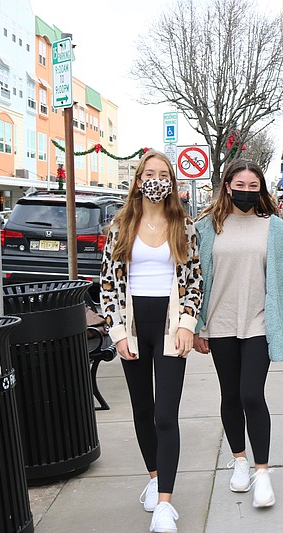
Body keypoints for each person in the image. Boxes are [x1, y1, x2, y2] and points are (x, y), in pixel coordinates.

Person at [100, 149, 203, 533]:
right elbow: (107, 284)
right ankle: (154, 475)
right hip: (132, 323)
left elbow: (194, 280)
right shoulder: (120, 226)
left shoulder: (183, 225)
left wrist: (187, 324)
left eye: (163, 173)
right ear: (139, 179)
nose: (156, 179)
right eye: (149, 173)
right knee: (142, 409)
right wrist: (118, 332)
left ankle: (165, 503)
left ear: (171, 183)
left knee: (165, 414)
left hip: (170, 324)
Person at [192, 159, 283, 509]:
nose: (246, 191)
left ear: (261, 190)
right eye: (240, 185)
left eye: (254, 186)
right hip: (219, 322)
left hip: (258, 322)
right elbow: (194, 280)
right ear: (227, 186)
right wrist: (197, 324)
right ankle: (239, 460)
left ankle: (263, 472)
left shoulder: (275, 228)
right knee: (230, 394)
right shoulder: (207, 227)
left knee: (251, 394)